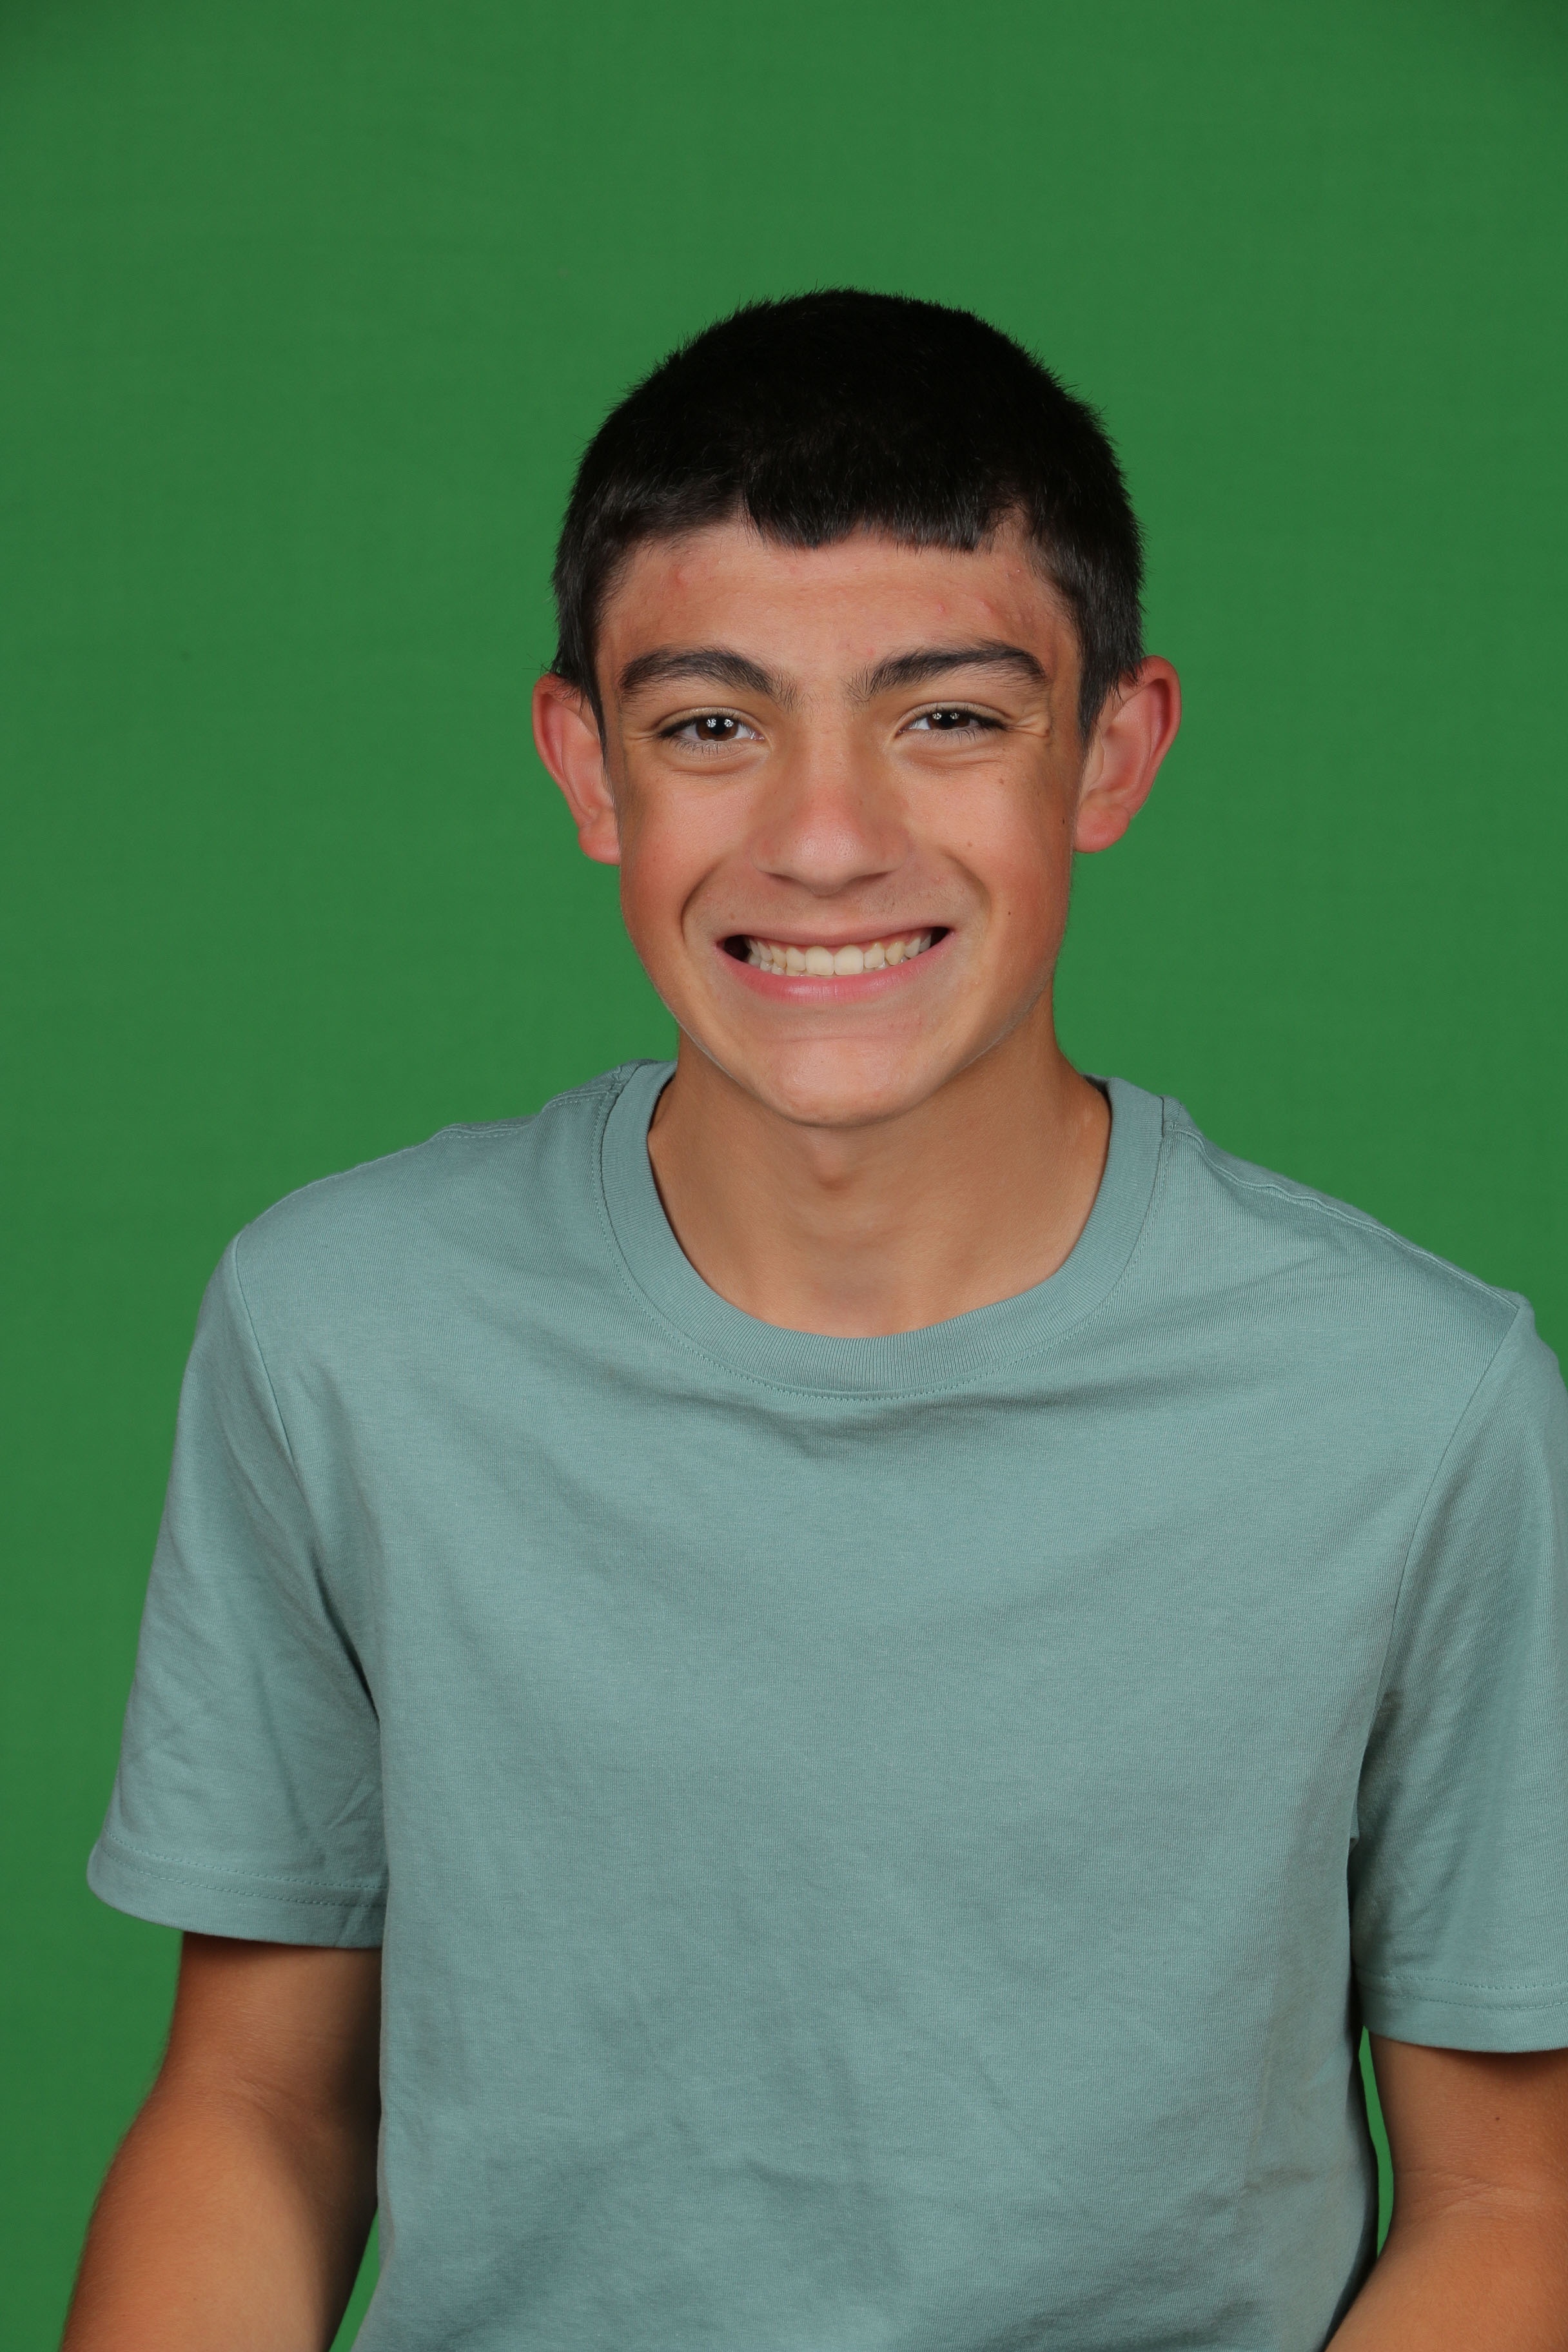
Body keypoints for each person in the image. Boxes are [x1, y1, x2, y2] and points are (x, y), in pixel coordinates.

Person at [64, 291, 1568, 2352]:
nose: (829, 838)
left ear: (1112, 752)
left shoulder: (1417, 1407)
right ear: (586, 766)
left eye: (949, 718)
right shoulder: (338, 1332)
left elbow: (1509, 2194)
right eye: (712, 725)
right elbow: (255, 2104)